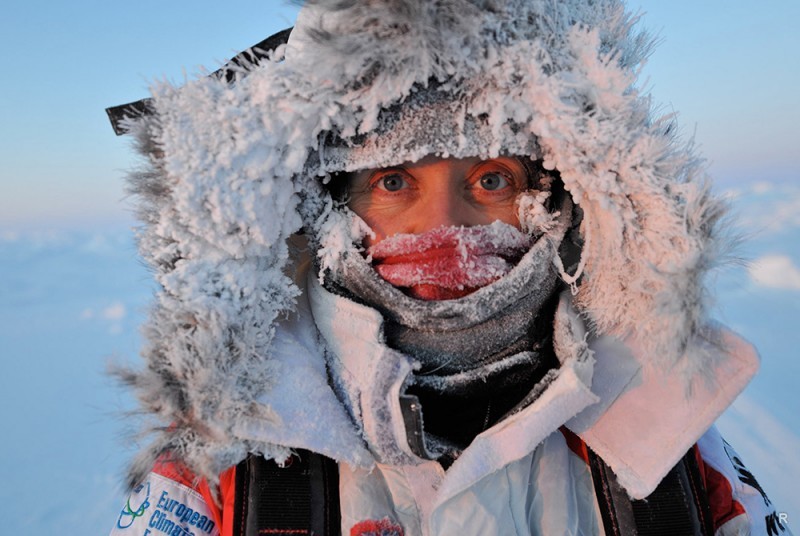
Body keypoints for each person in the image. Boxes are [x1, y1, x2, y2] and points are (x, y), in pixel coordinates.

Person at [106, 1, 790, 535]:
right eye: (396, 183)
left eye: (491, 179)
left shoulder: (661, 429)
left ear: (556, 199)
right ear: (328, 212)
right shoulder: (223, 454)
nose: (446, 228)